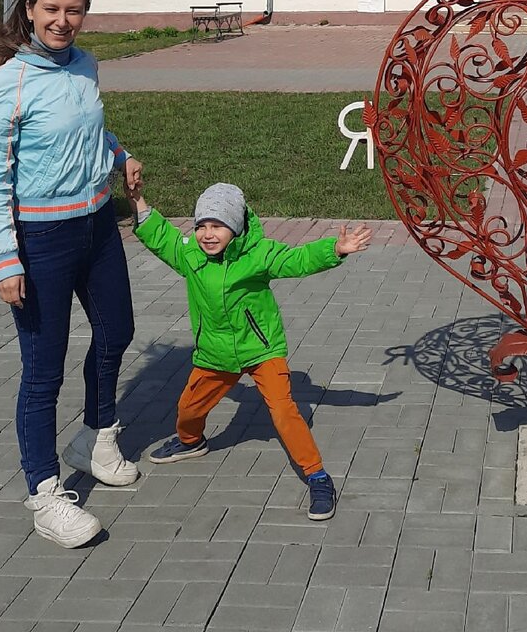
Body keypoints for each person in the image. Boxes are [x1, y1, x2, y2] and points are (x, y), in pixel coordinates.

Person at [0, 0, 142, 549]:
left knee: (117, 333)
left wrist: (119, 154)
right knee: (44, 370)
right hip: (38, 241)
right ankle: (45, 494)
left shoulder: (86, 65)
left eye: (74, 10)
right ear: (29, 12)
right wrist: (4, 260)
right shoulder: (6, 85)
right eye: (51, 10)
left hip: (95, 226)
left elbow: (89, 127)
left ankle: (95, 437)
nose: (63, 21)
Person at [129, 181, 371, 521]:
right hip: (215, 355)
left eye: (218, 226)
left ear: (237, 228)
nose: (208, 235)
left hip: (261, 350)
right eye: (202, 226)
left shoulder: (258, 254)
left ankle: (317, 475)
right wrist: (138, 200)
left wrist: (337, 249)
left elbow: (298, 259)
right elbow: (161, 236)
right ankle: (191, 442)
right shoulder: (190, 255)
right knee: (187, 409)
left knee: (284, 412)